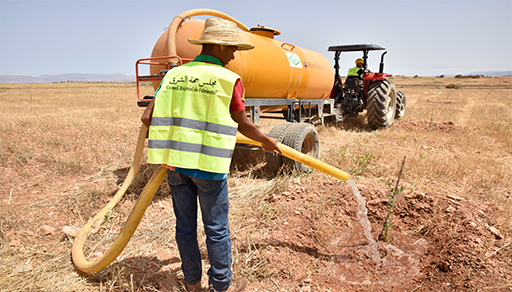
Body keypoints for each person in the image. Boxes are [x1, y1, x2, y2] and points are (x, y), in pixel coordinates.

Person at [147, 18, 281, 292]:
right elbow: (243, 124)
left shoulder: (172, 75)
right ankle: (221, 286)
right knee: (216, 229)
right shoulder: (228, 80)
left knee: (185, 227)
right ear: (219, 45)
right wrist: (266, 142)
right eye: (231, 49)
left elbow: (147, 117)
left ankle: (193, 284)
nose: (233, 55)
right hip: (208, 168)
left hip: (175, 166)